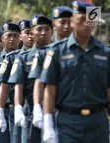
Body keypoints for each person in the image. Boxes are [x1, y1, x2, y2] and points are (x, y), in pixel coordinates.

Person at [41, 1, 110, 143]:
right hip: (68, 122)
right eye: (81, 19)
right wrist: (47, 123)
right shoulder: (57, 51)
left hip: (98, 123)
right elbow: (50, 90)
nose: (86, 24)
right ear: (72, 21)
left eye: (90, 21)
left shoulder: (105, 53)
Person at [27, 15, 53, 143]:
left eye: (47, 29)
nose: (43, 33)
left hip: (54, 110)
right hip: (29, 111)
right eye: (39, 29)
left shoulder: (58, 53)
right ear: (32, 33)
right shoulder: (23, 58)